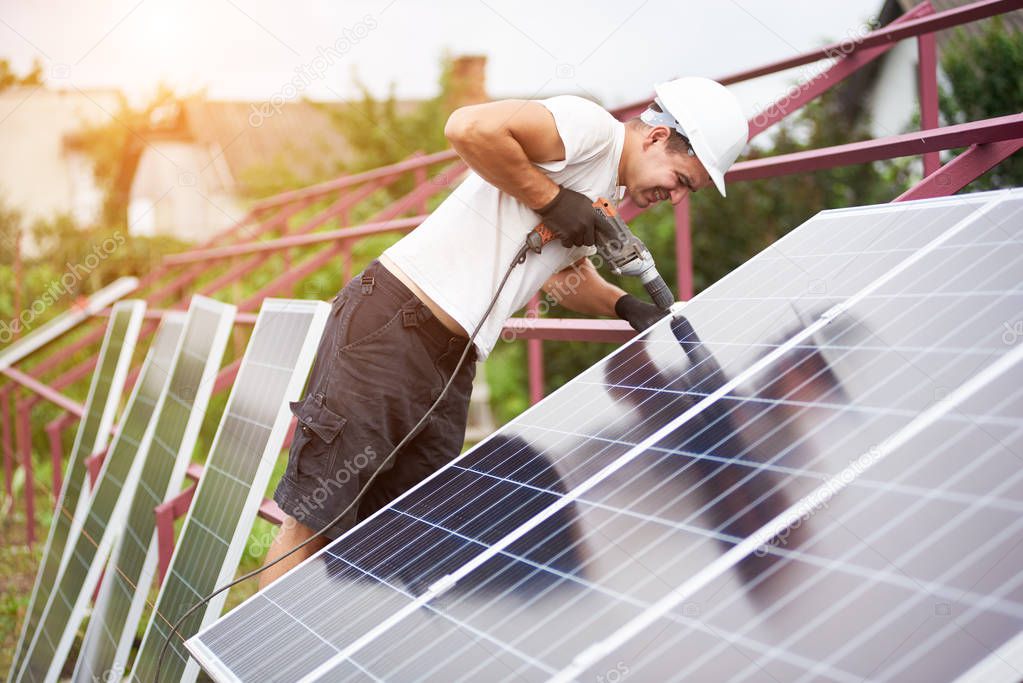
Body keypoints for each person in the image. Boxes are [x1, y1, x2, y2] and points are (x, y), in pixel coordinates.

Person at [258, 76, 749, 588]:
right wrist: (552, 198)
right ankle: (248, 662)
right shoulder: (590, 130)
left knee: (409, 537)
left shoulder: (606, 191)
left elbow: (562, 275)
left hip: (451, 362)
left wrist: (625, 305)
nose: (674, 198)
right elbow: (468, 127)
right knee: (313, 523)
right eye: (680, 179)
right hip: (395, 326)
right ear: (654, 138)